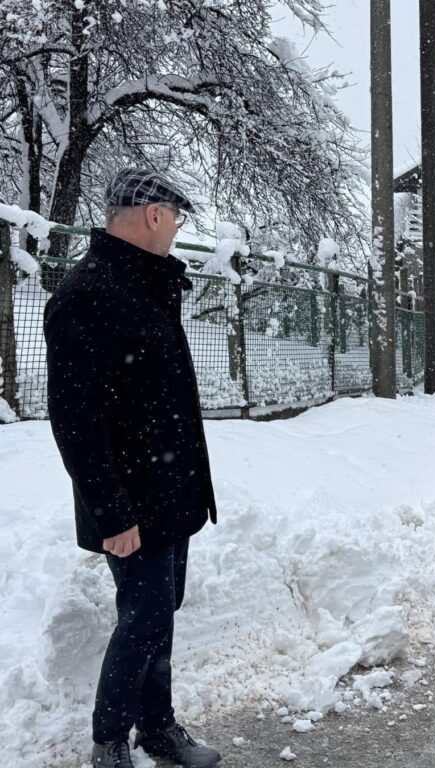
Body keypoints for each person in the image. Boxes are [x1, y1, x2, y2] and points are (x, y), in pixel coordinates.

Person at [44, 169, 221, 768]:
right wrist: (112, 513)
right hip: (131, 504)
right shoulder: (86, 295)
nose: (175, 229)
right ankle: (110, 740)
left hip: (171, 493)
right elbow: (76, 423)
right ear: (154, 214)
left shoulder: (150, 285)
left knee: (159, 616)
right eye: (175, 218)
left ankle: (158, 727)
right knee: (142, 620)